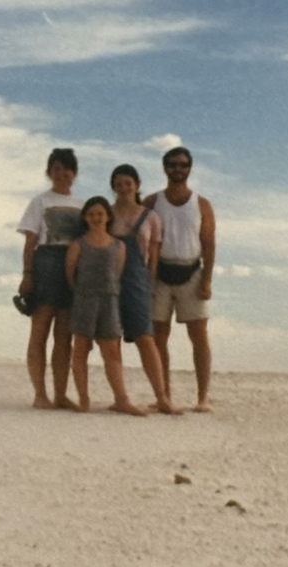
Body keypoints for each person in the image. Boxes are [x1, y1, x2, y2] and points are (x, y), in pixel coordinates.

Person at [143, 147, 216, 412]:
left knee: (199, 335)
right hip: (160, 274)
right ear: (165, 168)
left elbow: (208, 243)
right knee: (158, 335)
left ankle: (203, 396)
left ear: (190, 168)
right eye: (172, 164)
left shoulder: (201, 204)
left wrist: (206, 279)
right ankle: (164, 395)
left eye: (183, 165)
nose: (178, 169)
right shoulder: (152, 202)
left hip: (191, 273)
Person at [109, 164, 183, 415]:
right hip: (108, 281)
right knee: (111, 340)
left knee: (145, 338)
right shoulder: (105, 214)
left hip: (137, 280)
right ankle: (121, 398)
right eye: (118, 184)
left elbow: (153, 257)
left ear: (137, 185)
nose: (123, 188)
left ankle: (162, 397)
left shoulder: (151, 217)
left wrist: (150, 286)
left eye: (128, 183)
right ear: (113, 187)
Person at [65, 196, 146, 417]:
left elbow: (117, 274)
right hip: (84, 301)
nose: (96, 218)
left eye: (100, 214)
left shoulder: (118, 245)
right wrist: (82, 293)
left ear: (108, 216)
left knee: (111, 351)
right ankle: (83, 400)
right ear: (85, 218)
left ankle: (122, 400)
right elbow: (70, 274)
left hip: (109, 301)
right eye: (91, 214)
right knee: (80, 350)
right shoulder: (77, 245)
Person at [16, 148, 83, 410]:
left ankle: (61, 394)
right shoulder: (39, 202)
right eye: (56, 167)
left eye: (67, 168)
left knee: (65, 336)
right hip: (45, 264)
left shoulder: (81, 205)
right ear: (49, 172)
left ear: (74, 173)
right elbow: (30, 241)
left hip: (71, 266)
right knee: (40, 330)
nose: (62, 173)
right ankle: (40, 394)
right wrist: (27, 274)